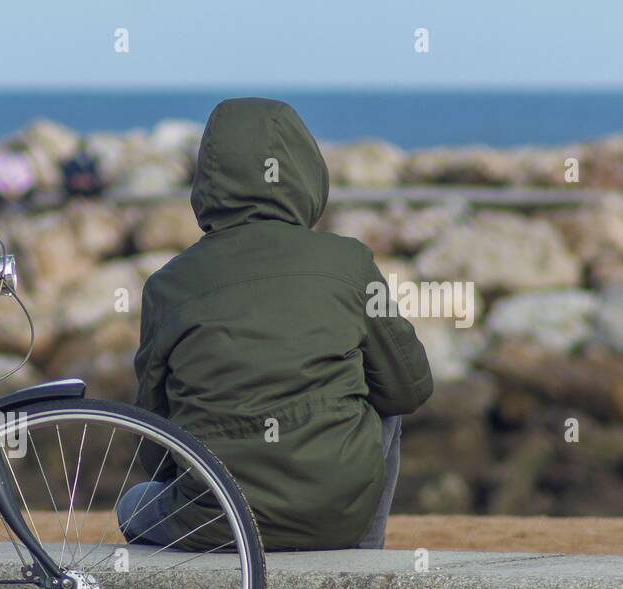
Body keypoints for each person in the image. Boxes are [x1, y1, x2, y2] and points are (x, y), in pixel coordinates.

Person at [121, 98, 432, 551]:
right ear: (305, 168)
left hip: (215, 524)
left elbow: (153, 439)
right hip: (335, 520)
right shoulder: (349, 262)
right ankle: (365, 555)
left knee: (132, 505)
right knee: (384, 401)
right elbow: (411, 389)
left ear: (206, 178)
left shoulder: (168, 285)